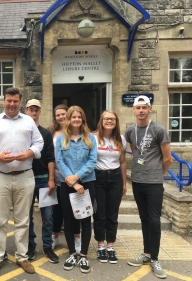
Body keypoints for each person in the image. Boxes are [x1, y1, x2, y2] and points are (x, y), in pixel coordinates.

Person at [0, 87, 44, 278]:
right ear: (4, 101)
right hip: (0, 175)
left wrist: (29, 153)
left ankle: (22, 256)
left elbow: (39, 143)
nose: (11, 104)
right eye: (9, 100)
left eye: (15, 101)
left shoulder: (28, 121)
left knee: (23, 219)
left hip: (25, 175)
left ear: (20, 102)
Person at [125, 96, 172, 279]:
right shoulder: (131, 130)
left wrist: (158, 174)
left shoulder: (159, 129)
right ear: (134, 110)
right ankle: (146, 253)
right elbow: (135, 150)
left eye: (145, 107)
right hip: (137, 180)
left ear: (150, 109)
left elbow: (167, 158)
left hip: (153, 182)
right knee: (144, 218)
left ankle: (155, 258)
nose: (141, 110)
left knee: (154, 220)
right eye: (138, 108)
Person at [55, 105, 97, 274]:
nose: (76, 120)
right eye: (73, 117)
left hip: (87, 183)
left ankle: (84, 254)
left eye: (79, 117)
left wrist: (77, 177)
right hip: (68, 185)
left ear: (83, 119)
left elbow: (93, 161)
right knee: (69, 219)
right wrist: (73, 182)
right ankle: (72, 253)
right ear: (68, 120)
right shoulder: (61, 139)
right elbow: (60, 162)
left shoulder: (90, 138)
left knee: (86, 220)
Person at [24, 99, 59, 263]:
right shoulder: (22, 131)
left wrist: (51, 179)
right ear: (26, 111)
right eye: (31, 109)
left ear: (40, 112)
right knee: (27, 216)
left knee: (48, 215)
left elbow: (51, 158)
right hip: (26, 179)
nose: (33, 112)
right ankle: (30, 245)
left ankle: (47, 246)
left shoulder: (45, 133)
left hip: (44, 180)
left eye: (36, 109)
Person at [93, 110, 127, 264]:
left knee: (112, 214)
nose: (109, 121)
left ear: (116, 121)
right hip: (98, 177)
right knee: (100, 213)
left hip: (115, 178)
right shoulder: (93, 138)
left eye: (112, 119)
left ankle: (111, 246)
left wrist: (125, 183)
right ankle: (100, 245)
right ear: (101, 121)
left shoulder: (120, 139)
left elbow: (122, 162)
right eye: (106, 118)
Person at [48, 105, 81, 253]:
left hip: (74, 176)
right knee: (57, 209)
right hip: (56, 175)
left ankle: (76, 237)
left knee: (75, 208)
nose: (61, 117)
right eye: (58, 115)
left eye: (63, 114)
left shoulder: (76, 131)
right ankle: (55, 236)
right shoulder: (51, 132)